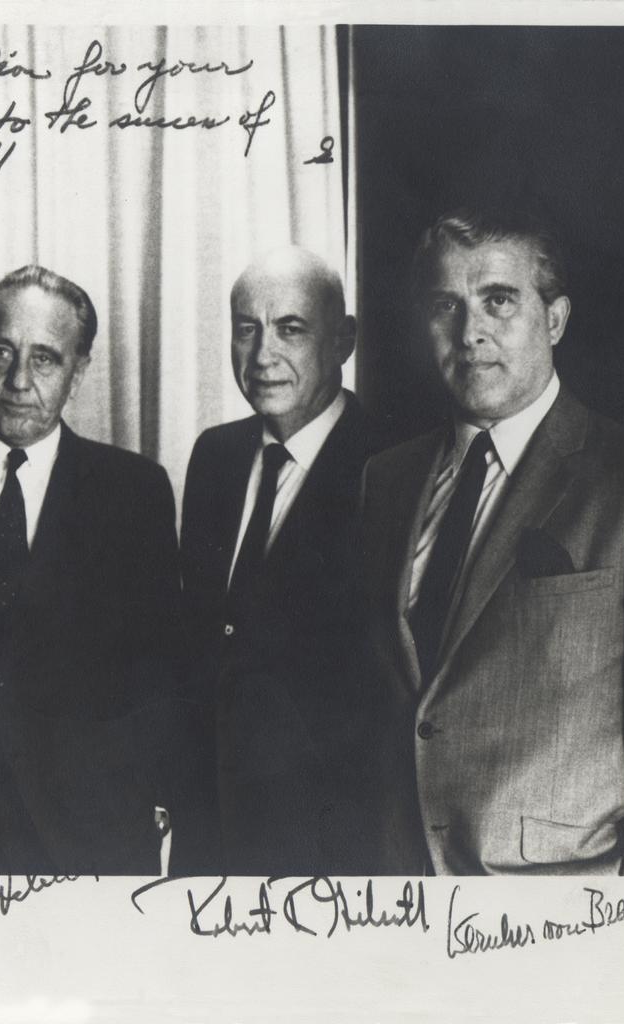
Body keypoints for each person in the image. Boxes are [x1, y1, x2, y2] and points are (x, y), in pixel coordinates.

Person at [360, 209, 624, 874]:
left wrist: (618, 917)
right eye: (447, 305)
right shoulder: (385, 481)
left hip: (553, 927)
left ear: (554, 319)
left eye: (498, 301)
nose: (471, 332)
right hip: (395, 914)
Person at [0, 266, 181, 875]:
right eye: (2, 353)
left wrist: (151, 802)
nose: (19, 381)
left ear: (79, 371)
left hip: (90, 832)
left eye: (46, 359)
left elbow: (158, 667)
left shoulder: (135, 491)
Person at [175, 247, 379, 876]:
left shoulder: (393, 465)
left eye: (291, 328)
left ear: (343, 340)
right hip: (210, 833)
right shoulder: (215, 455)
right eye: (246, 328)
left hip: (329, 842)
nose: (262, 356)